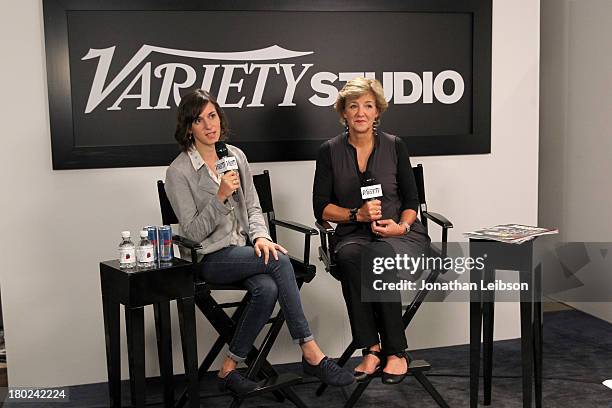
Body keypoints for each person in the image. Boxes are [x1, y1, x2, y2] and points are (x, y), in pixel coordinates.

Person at [165, 89, 354, 395]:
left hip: (242, 249)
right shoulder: (179, 172)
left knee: (266, 288)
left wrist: (262, 237)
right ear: (189, 128)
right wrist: (220, 196)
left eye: (212, 116)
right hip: (208, 259)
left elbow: (252, 207)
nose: (209, 125)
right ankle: (310, 350)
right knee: (280, 261)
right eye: (199, 121)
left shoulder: (234, 156)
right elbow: (193, 233)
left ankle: (228, 370)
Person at [312, 77, 431, 385]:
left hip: (400, 234)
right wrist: (356, 214)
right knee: (352, 256)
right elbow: (321, 208)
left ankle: (395, 352)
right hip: (353, 234)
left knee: (378, 256)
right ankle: (372, 348)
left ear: (377, 112)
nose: (361, 113)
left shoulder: (395, 146)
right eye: (353, 106)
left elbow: (411, 200)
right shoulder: (328, 151)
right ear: (343, 114)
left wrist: (400, 226)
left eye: (368, 106)